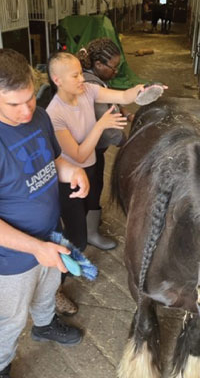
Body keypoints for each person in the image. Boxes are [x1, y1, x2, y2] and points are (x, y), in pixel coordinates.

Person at [0, 49, 90, 378]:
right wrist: (35, 248)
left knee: (47, 289)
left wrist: (72, 170)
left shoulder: (39, 116)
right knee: (10, 317)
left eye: (30, 97)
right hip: (10, 257)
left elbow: (51, 160)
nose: (27, 110)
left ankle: (44, 324)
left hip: (49, 235)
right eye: (14, 104)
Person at [46, 51, 144, 313]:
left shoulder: (87, 91)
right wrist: (101, 125)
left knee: (91, 212)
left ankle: (79, 253)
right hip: (70, 177)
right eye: (75, 74)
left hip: (90, 168)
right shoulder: (54, 114)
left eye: (81, 71)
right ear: (57, 79)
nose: (82, 78)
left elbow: (123, 96)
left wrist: (143, 91)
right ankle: (55, 288)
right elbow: (76, 153)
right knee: (75, 234)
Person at [76, 39, 129, 250]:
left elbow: (112, 101)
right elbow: (107, 126)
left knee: (91, 184)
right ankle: (90, 233)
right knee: (93, 186)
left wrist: (124, 111)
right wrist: (124, 140)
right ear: (98, 65)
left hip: (86, 146)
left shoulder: (91, 78)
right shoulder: (92, 85)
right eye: (113, 67)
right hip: (89, 147)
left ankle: (88, 222)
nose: (116, 71)